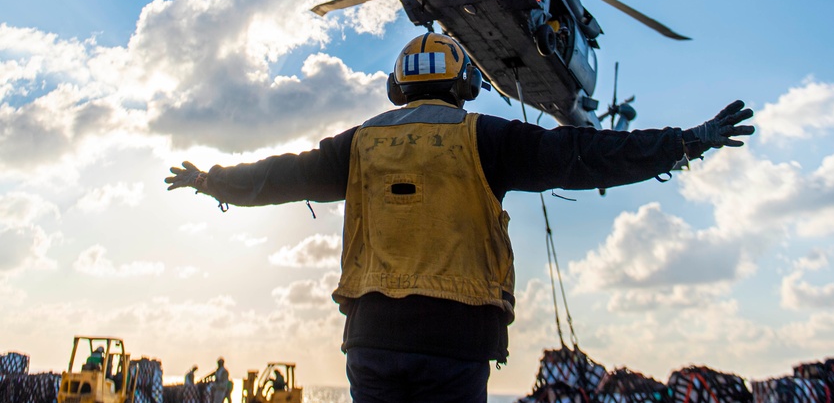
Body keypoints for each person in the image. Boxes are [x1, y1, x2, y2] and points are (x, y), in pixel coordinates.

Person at [166, 33, 754, 403]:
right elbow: (585, 155)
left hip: (372, 341)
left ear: (398, 85)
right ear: (465, 83)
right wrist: (686, 141)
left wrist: (211, 180)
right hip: (456, 345)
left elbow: (280, 175)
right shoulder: (485, 138)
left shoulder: (360, 145)